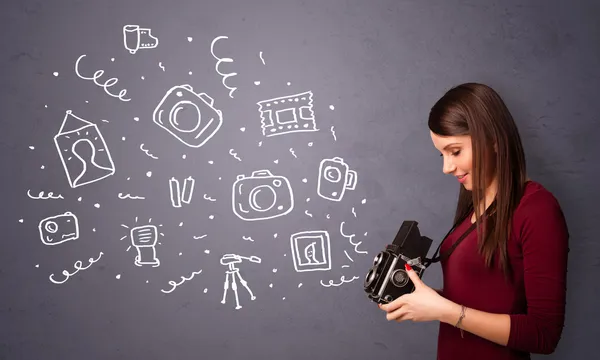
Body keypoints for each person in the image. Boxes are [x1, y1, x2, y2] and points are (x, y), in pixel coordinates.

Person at [378, 82, 569, 360]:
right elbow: (484, 296)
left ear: (492, 139)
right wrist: (427, 300)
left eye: (455, 152)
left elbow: (543, 333)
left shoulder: (537, 209)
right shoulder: (474, 204)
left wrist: (443, 310)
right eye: (441, 154)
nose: (446, 167)